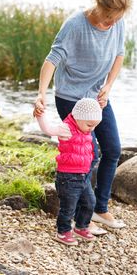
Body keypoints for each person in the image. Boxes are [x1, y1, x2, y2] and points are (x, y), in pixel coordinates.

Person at [33, 0, 133, 230]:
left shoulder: (118, 22)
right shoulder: (75, 24)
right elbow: (52, 59)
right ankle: (81, 215)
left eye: (116, 18)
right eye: (108, 17)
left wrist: (108, 86)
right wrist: (41, 94)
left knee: (112, 149)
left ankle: (99, 209)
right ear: (98, 5)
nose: (111, 22)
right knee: (89, 155)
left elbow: (119, 54)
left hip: (96, 98)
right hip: (71, 97)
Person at [37, 98, 102, 245]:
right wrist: (41, 115)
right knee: (69, 207)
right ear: (78, 118)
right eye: (90, 125)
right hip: (68, 177)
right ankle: (63, 231)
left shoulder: (85, 127)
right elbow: (48, 129)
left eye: (95, 126)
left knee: (90, 203)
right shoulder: (66, 128)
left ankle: (81, 226)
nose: (91, 129)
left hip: (84, 176)